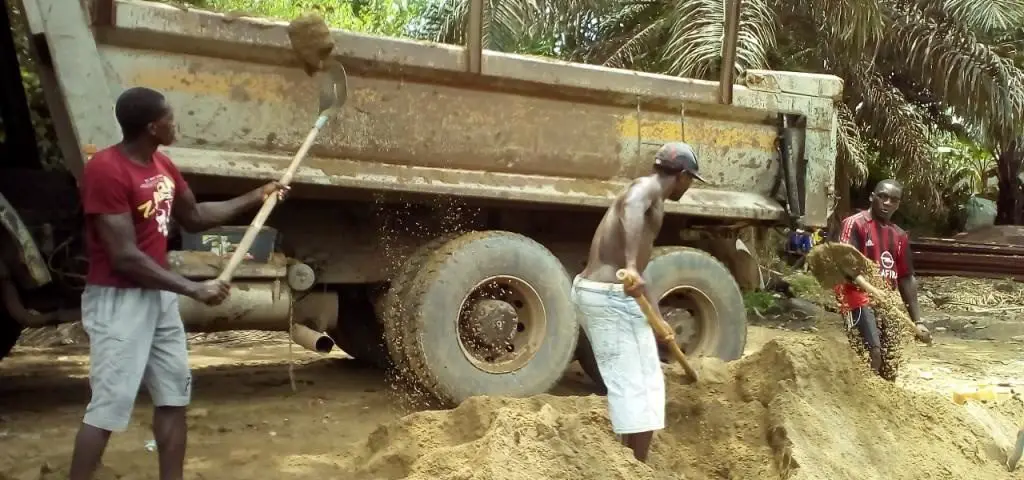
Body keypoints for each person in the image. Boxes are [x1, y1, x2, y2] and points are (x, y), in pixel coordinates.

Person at [69, 86, 288, 480]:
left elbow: (196, 216)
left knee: (173, 396)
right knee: (108, 406)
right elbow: (124, 256)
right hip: (119, 301)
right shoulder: (106, 170)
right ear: (153, 126)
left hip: (159, 298)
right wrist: (192, 288)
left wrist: (257, 195)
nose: (176, 123)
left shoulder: (162, 165)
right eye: (170, 117)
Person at [571, 142, 706, 462]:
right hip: (609, 297)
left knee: (639, 384)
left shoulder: (654, 198)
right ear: (683, 176)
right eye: (691, 181)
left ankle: (629, 459)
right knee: (642, 390)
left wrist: (657, 322)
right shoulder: (645, 190)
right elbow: (631, 208)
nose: (688, 188)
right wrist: (630, 266)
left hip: (605, 295)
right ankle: (634, 466)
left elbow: (644, 273)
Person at [833, 179, 931, 380]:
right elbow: (844, 261)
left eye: (893, 200)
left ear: (898, 205)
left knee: (889, 362)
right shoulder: (855, 224)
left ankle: (882, 404)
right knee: (872, 352)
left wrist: (917, 321)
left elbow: (906, 278)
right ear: (872, 197)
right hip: (855, 296)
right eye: (883, 197)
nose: (887, 203)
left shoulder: (899, 236)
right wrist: (871, 288)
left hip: (886, 301)